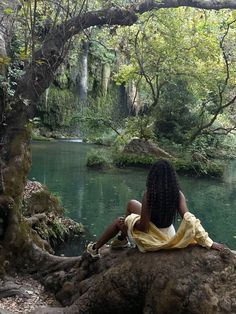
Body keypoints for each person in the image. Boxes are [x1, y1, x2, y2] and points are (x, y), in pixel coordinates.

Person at [87, 160, 225, 258]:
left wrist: (130, 221)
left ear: (153, 177)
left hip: (152, 241)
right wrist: (209, 242)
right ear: (172, 177)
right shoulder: (178, 194)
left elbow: (144, 228)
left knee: (120, 221)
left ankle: (95, 249)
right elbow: (189, 218)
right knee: (131, 203)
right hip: (169, 236)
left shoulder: (149, 195)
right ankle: (122, 241)